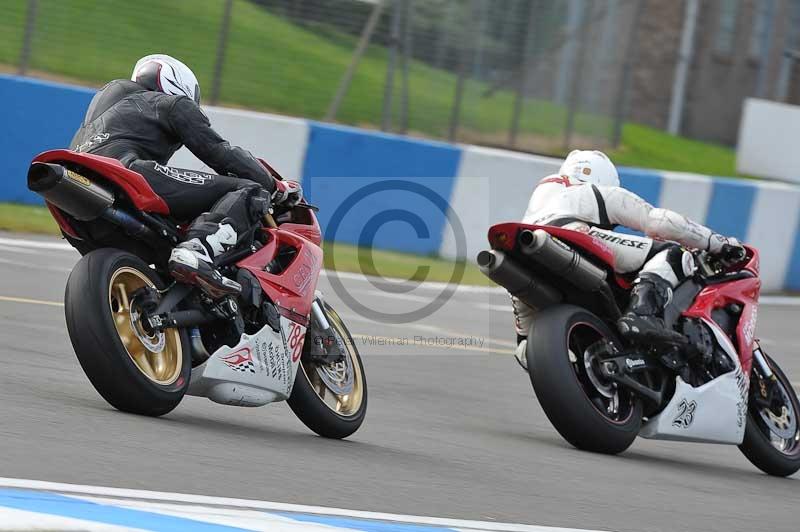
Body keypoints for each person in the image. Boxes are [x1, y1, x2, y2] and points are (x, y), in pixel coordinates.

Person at [70, 54, 302, 298]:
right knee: (248, 190)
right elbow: (221, 154)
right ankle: (198, 249)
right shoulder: (171, 104)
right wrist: (274, 186)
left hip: (80, 201)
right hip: (127, 175)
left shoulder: (100, 117)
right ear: (179, 84)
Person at [512, 150, 744, 370]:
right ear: (604, 178)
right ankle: (642, 313)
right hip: (574, 237)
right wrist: (717, 242)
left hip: (523, 258)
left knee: (526, 344)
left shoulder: (542, 200)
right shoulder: (595, 191)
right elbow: (662, 222)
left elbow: (527, 348)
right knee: (676, 254)